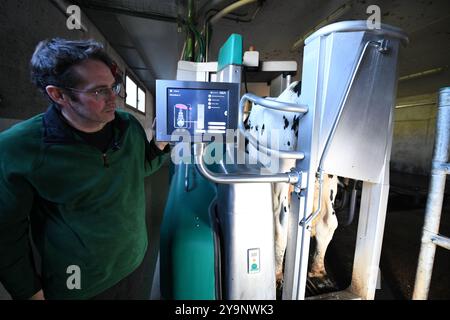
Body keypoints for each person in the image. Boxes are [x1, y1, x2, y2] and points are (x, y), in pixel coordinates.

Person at [0, 38, 170, 299]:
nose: (114, 98)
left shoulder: (127, 126)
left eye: (115, 87)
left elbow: (137, 170)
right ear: (58, 95)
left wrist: (159, 144)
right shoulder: (18, 148)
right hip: (79, 284)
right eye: (99, 91)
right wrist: (29, 292)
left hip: (134, 263)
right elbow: (6, 233)